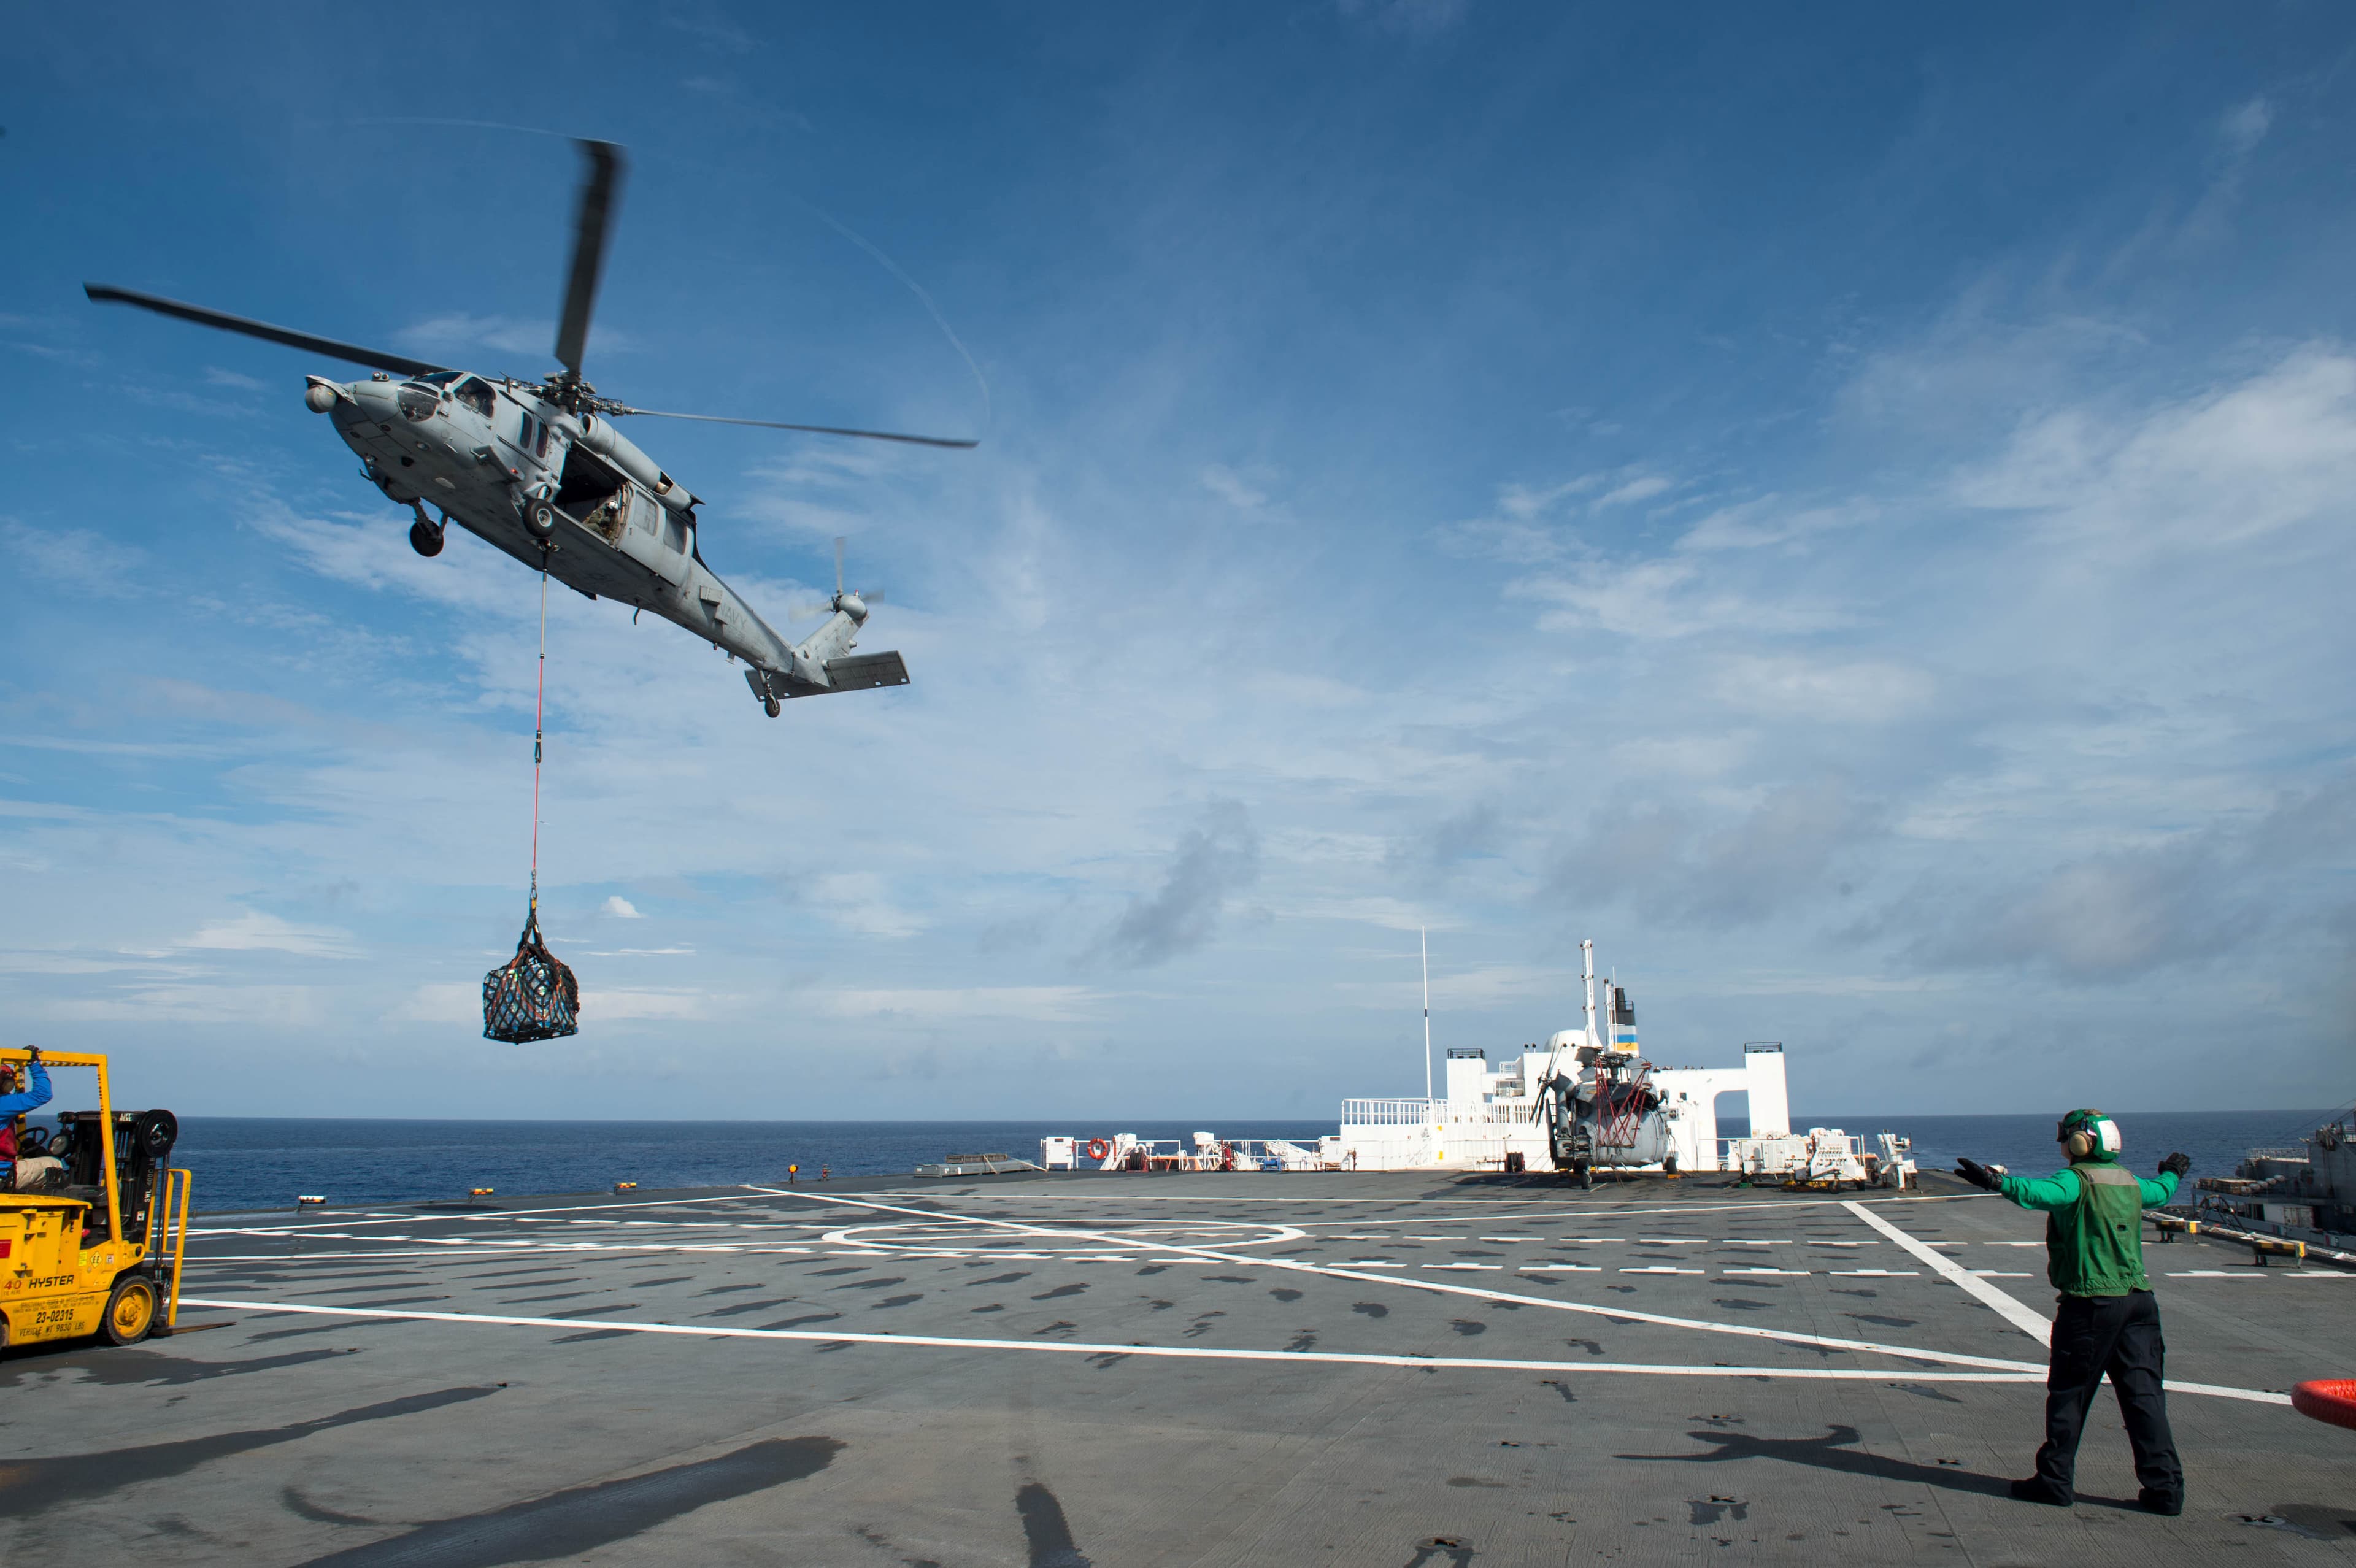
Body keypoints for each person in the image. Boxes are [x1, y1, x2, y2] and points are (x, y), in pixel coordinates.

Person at [1958, 1110, 2193, 1515]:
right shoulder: (2128, 1181)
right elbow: (2162, 1192)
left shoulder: (2076, 1179)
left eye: (2066, 1137)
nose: (2063, 1143)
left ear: (2082, 1142)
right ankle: (2165, 1490)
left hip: (2090, 1306)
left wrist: (1996, 1181)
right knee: (2145, 1398)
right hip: (2139, 1303)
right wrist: (2173, 1172)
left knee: (2069, 1395)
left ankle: (2054, 1481)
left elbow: (2039, 1195)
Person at [0, 1048, 61, 1191]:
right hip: (4, 1176)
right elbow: (43, 1094)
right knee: (53, 1165)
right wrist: (34, 1064)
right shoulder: (4, 1104)